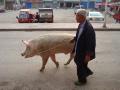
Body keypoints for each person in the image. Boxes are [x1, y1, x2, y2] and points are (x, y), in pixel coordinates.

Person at [71, 9, 96, 86]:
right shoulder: (81, 24)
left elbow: (90, 43)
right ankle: (86, 72)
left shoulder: (88, 28)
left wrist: (88, 55)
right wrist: (74, 39)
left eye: (77, 16)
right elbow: (80, 35)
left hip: (84, 52)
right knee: (80, 63)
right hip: (79, 49)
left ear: (82, 17)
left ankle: (82, 81)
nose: (76, 18)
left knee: (80, 65)